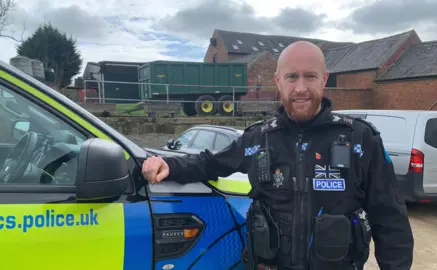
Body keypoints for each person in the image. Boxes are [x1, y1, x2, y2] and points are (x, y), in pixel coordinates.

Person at [142, 41, 414, 270]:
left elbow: (390, 218)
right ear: (278, 81)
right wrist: (168, 164)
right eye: (291, 77)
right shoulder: (257, 138)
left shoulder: (360, 139)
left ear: (324, 78)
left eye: (310, 76)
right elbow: (211, 163)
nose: (300, 88)